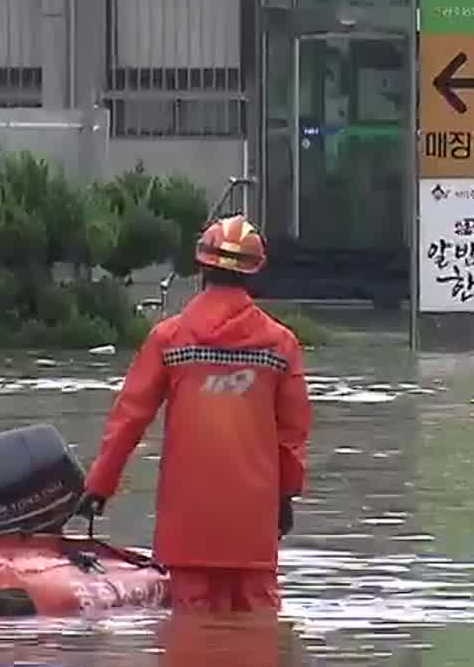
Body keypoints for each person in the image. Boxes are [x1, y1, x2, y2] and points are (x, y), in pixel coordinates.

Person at [77, 215, 312, 613]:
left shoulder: (169, 339)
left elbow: (129, 418)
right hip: (252, 529)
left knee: (186, 651)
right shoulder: (280, 345)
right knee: (259, 648)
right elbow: (291, 433)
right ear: (255, 273)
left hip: (185, 531)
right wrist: (285, 495)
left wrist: (99, 487)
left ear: (201, 267)